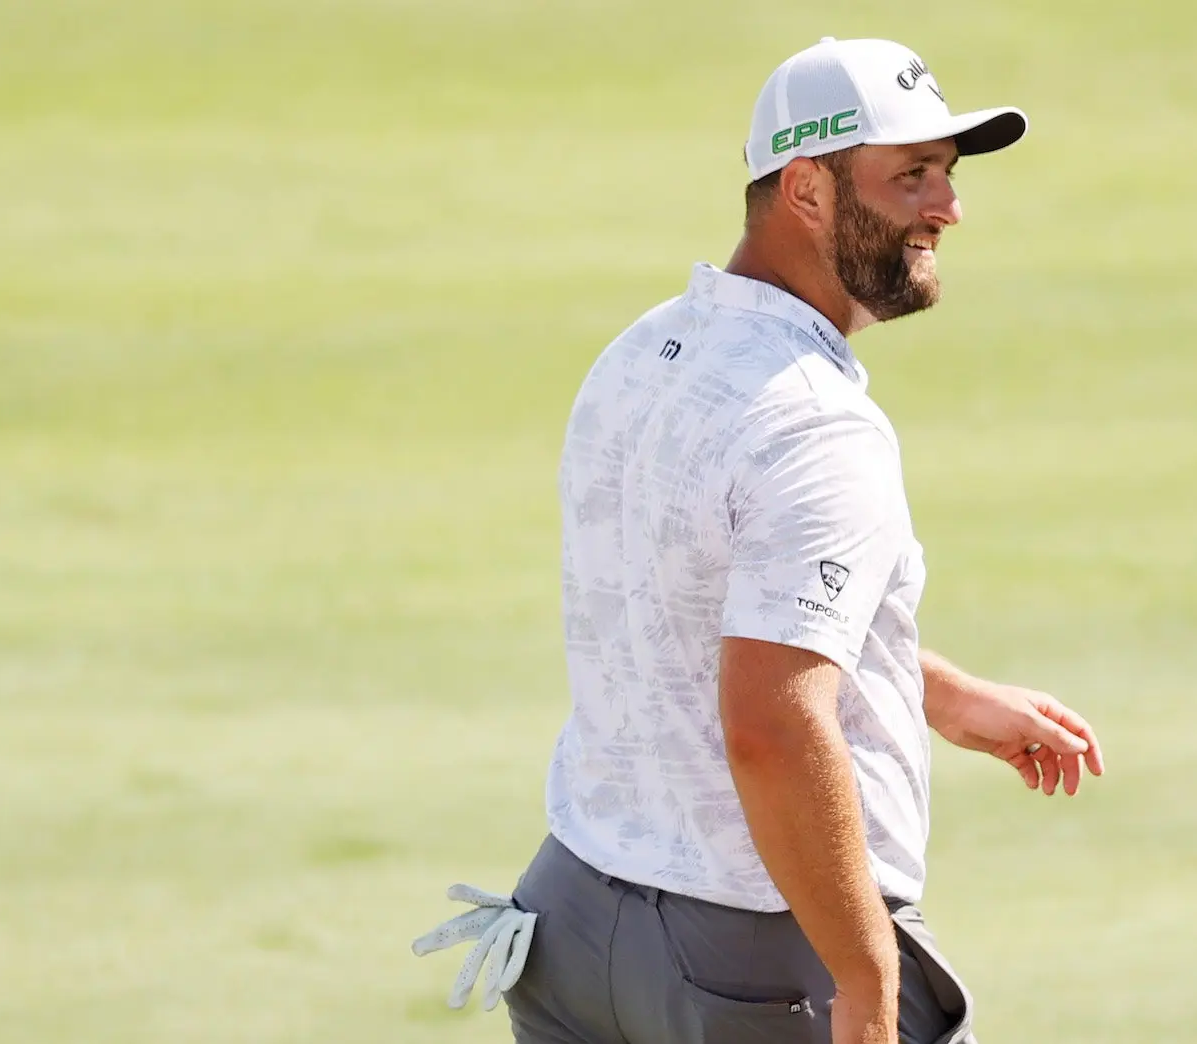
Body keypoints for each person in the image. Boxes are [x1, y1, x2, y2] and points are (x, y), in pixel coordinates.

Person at [412, 36, 1105, 1044]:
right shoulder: (818, 422)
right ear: (807, 189)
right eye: (911, 176)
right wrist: (864, 981)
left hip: (576, 927)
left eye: (947, 174)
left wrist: (939, 694)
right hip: (756, 963)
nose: (948, 208)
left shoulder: (645, 353)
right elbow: (771, 725)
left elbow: (705, 606)